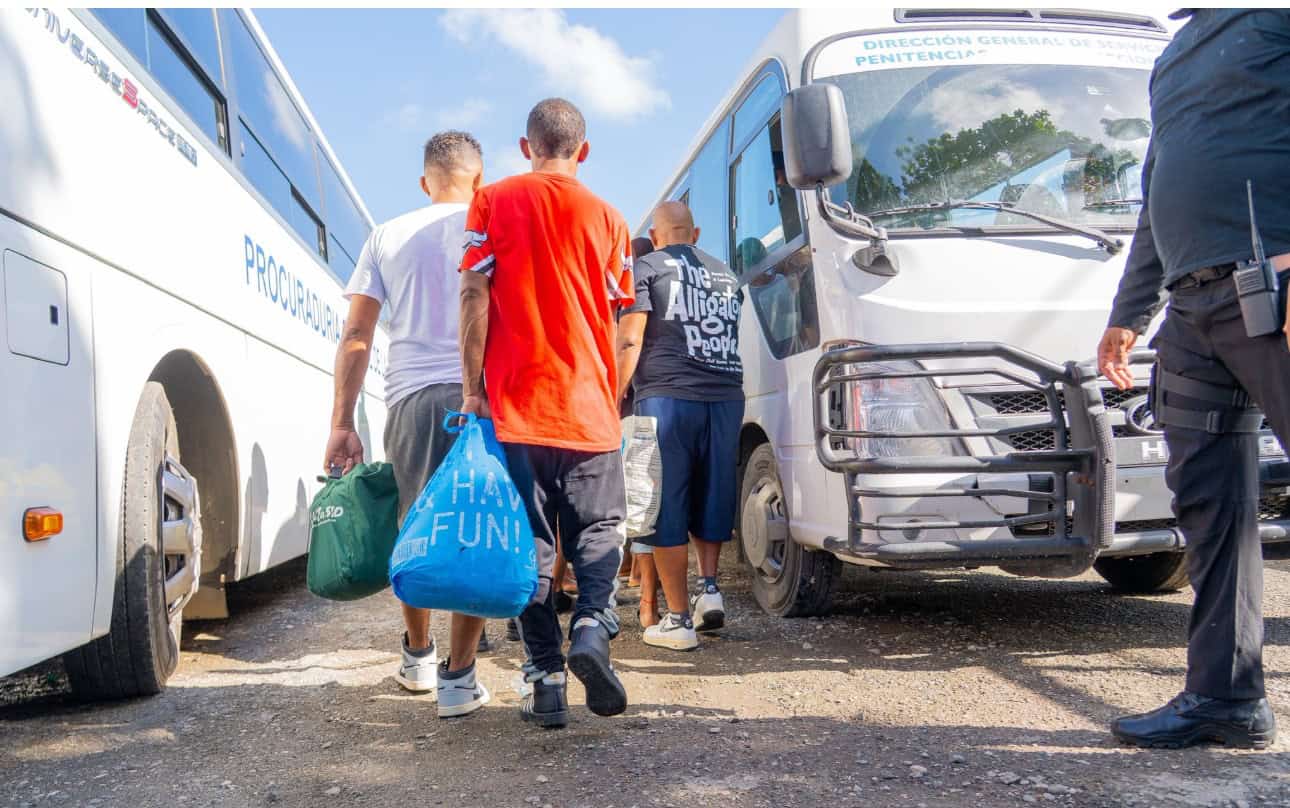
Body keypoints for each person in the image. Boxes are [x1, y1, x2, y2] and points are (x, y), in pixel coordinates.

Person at [1096, 9, 1290, 750]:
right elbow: (1158, 190)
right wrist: (1129, 312)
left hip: (1274, 282)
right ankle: (1224, 698)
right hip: (1193, 306)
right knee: (1210, 506)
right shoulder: (1175, 51)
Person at [458, 98, 633, 727]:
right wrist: (609, 391)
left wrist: (472, 389)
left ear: (526, 146)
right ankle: (590, 625)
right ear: (582, 150)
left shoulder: (492, 201)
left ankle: (547, 680)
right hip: (589, 408)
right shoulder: (610, 219)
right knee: (598, 529)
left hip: (516, 408)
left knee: (526, 542)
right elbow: (618, 319)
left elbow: (473, 291)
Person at [325, 131, 490, 719]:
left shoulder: (386, 235)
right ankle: (460, 677)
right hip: (479, 395)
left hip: (410, 398)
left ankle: (419, 655)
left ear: (425, 182)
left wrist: (342, 420)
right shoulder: (491, 224)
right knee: (473, 525)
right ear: (480, 178)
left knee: (412, 525)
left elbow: (357, 334)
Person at [616, 201, 744, 651]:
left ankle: (677, 619)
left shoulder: (647, 266)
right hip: (726, 396)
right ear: (695, 233)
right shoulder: (726, 275)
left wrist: (613, 396)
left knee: (663, 506)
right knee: (713, 494)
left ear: (655, 235)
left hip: (666, 397)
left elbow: (630, 337)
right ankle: (709, 589)